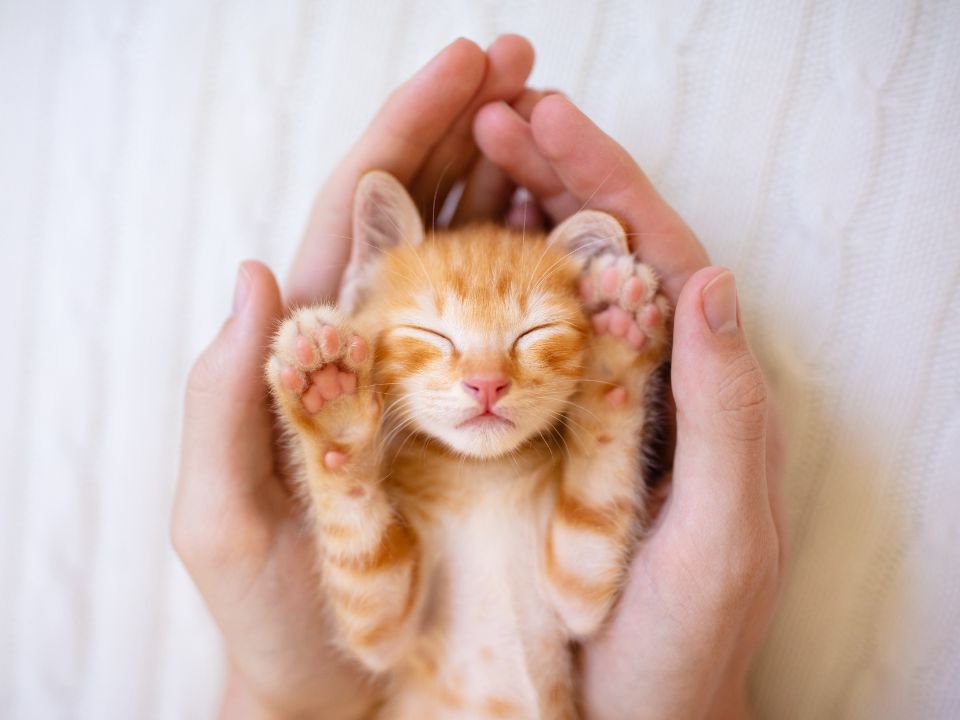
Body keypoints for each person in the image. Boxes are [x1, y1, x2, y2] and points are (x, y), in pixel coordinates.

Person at [172, 35, 786, 720]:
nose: (486, 380)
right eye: (433, 338)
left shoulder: (536, 471)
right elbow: (377, 638)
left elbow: (580, 600)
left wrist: (607, 415)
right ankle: (344, 451)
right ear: (361, 303)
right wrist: (346, 475)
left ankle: (605, 392)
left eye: (536, 336)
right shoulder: (412, 475)